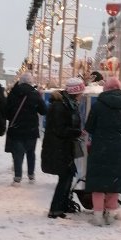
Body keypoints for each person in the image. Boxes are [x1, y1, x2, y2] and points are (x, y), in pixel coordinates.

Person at [83, 75, 121, 224]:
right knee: (114, 180)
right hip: (118, 147)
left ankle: (97, 216)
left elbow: (89, 127)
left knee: (98, 180)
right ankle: (110, 214)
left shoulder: (98, 105)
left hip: (100, 147)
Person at [42, 77, 84, 219]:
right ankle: (55, 209)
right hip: (59, 147)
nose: (82, 95)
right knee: (65, 177)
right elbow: (60, 130)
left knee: (68, 175)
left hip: (65, 146)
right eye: (81, 92)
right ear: (75, 92)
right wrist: (77, 132)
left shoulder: (68, 104)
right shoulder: (60, 106)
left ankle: (63, 205)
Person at [5, 70, 46, 183]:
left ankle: (18, 177)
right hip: (31, 128)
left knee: (18, 154)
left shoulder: (13, 93)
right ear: (31, 82)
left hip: (16, 128)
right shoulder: (35, 94)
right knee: (31, 153)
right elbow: (43, 111)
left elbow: (6, 111)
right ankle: (31, 175)